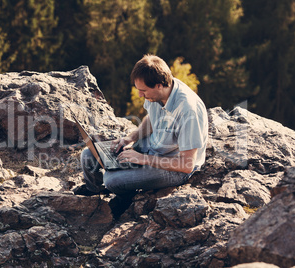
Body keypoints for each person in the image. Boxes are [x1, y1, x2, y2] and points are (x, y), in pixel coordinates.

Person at [75, 54, 208, 198]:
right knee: (88, 155)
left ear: (159, 85)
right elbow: (151, 119)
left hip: (176, 169)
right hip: (152, 149)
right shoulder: (158, 92)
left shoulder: (188, 110)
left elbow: (187, 165)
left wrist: (142, 159)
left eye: (143, 91)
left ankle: (124, 198)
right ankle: (96, 190)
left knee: (111, 180)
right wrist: (128, 139)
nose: (139, 95)